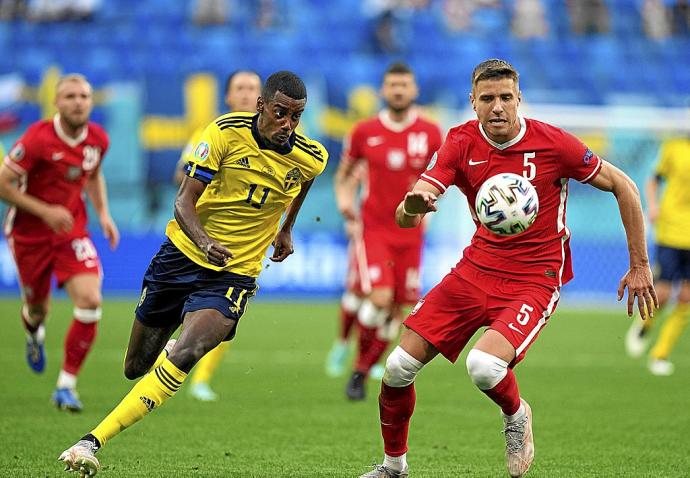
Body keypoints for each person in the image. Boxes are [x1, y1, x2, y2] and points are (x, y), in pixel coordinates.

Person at [358, 59, 657, 478]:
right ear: (473, 102)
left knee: (484, 367)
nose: (497, 107)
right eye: (487, 99)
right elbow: (408, 214)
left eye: (505, 98)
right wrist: (412, 205)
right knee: (396, 370)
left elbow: (624, 185)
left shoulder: (554, 144)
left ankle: (517, 415)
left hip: (534, 278)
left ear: (519, 99)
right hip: (475, 269)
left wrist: (640, 264)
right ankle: (394, 467)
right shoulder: (460, 142)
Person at [58, 70, 328, 476]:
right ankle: (167, 353)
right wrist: (204, 243)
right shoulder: (222, 132)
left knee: (188, 351)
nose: (288, 125)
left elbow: (303, 181)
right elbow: (183, 202)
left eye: (296, 117)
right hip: (182, 257)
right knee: (136, 365)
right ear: (260, 106)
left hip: (234, 273)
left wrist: (286, 229)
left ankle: (91, 441)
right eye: (280, 113)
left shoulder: (311, 155)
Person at [0, 74, 119, 412]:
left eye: (84, 96)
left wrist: (104, 214)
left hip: (71, 231)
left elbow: (93, 175)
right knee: (38, 310)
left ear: (91, 102)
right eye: (70, 96)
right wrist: (46, 211)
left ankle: (66, 386)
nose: (78, 102)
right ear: (56, 102)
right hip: (29, 234)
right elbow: (3, 184)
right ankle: (34, 332)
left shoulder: (98, 139)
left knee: (91, 300)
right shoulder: (37, 138)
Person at [335, 62, 442, 401]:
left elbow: (442, 176)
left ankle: (361, 371)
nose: (398, 90)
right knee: (378, 298)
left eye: (404, 85)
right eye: (393, 84)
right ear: (383, 90)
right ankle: (354, 361)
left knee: (398, 309)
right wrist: (345, 205)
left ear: (415, 91)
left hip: (412, 234)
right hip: (375, 230)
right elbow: (344, 175)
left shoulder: (430, 132)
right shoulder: (364, 131)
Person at [175, 69, 261, 401]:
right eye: (239, 87)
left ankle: (201, 379)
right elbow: (183, 178)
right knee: (190, 307)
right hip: (200, 238)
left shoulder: (278, 140)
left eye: (252, 88)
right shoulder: (210, 132)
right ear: (227, 97)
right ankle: (178, 353)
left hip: (242, 245)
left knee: (227, 313)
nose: (246, 94)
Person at [625, 136, 690, 375]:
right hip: (672, 231)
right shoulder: (675, 147)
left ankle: (660, 355)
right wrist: (652, 205)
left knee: (686, 297)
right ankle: (645, 324)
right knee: (662, 292)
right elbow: (654, 180)